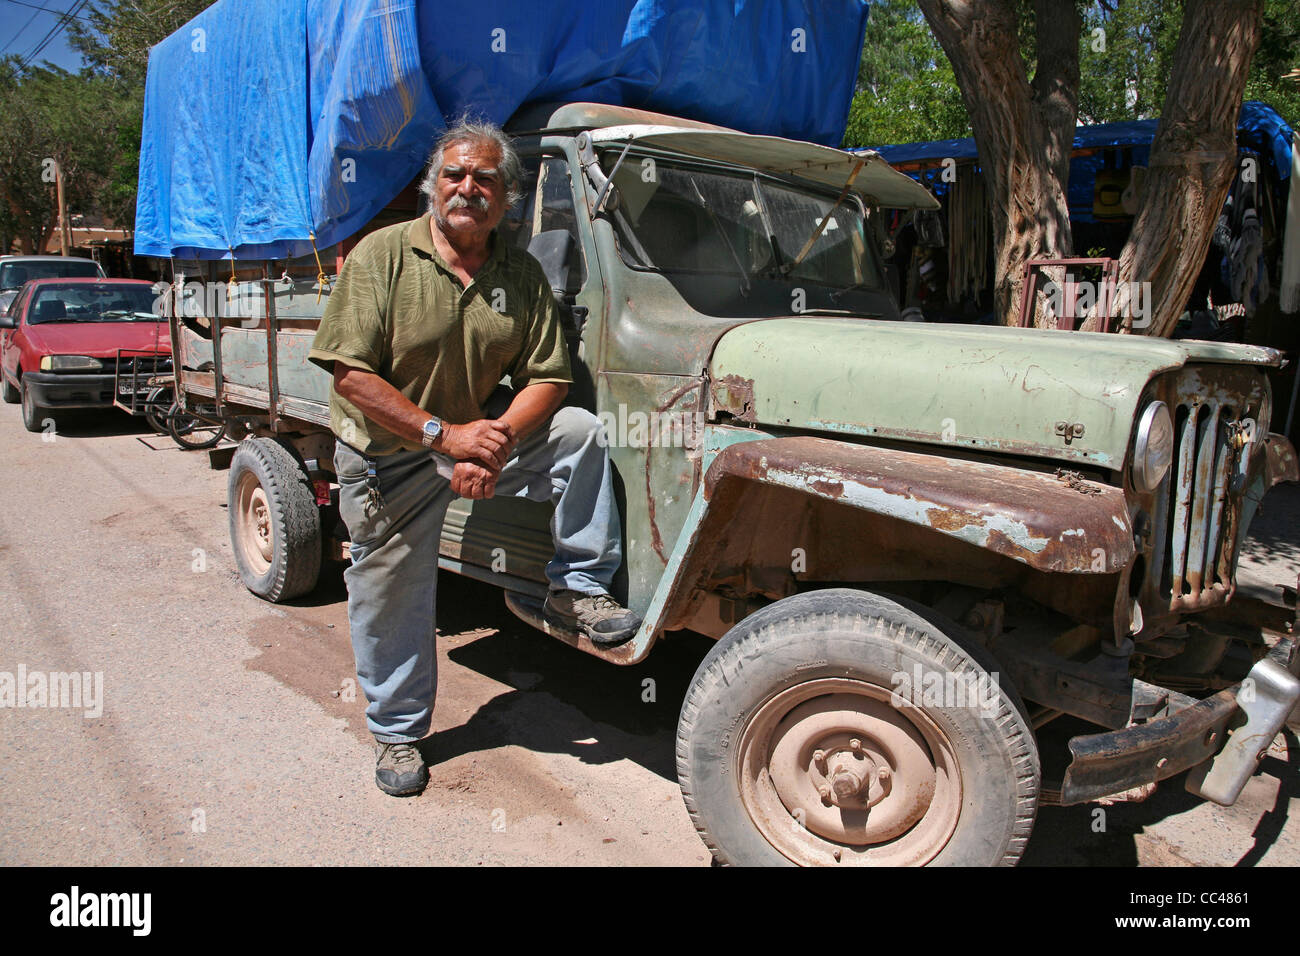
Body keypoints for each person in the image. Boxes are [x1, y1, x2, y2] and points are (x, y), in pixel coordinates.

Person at [308, 119, 640, 797]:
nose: (468, 188)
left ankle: (576, 586)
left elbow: (548, 376)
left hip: (475, 440)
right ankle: (398, 732)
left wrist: (494, 442)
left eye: (485, 178)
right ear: (434, 185)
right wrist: (444, 437)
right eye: (455, 174)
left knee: (577, 429)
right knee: (391, 593)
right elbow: (349, 374)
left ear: (507, 198)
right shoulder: (383, 256)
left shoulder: (518, 273)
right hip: (391, 455)